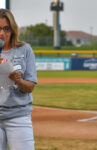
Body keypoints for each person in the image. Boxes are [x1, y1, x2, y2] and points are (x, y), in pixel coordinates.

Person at [0, 9, 37, 150]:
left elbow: (30, 87)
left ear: (13, 29)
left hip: (18, 116)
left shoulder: (25, 50)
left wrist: (19, 80)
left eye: (6, 28)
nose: (2, 33)